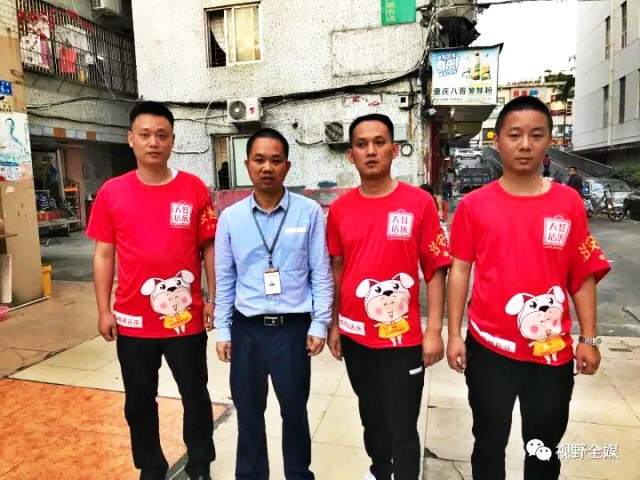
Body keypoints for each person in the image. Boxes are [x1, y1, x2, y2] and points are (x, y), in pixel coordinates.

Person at [446, 95, 611, 480]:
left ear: (548, 141)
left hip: (550, 354)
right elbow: (460, 271)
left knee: (543, 448)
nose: (525, 145)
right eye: (515, 135)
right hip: (489, 348)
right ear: (498, 140)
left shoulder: (568, 203)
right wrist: (453, 334)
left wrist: (589, 338)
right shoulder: (474, 206)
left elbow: (582, 273)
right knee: (488, 442)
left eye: (536, 135)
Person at [87, 101, 217, 480]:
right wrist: (104, 310)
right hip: (132, 320)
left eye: (162, 135)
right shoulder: (112, 192)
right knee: (139, 400)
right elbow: (104, 254)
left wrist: (213, 298)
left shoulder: (193, 189)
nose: (153, 142)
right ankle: (151, 465)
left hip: (185, 319)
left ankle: (200, 463)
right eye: (145, 135)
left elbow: (210, 248)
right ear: (131, 139)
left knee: (196, 395)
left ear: (172, 140)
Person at [327, 113, 451, 480]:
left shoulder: (418, 203)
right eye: (362, 144)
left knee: (403, 422)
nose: (371, 151)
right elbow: (337, 269)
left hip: (403, 339)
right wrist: (334, 325)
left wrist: (434, 330)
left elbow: (436, 269)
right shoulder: (340, 209)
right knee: (371, 415)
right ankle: (379, 472)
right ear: (350, 154)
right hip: (355, 336)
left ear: (394, 150)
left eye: (379, 142)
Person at [214, 128, 333, 480]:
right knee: (249, 413)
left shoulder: (309, 212)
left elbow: (320, 272)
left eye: (275, 160)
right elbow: (225, 278)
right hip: (246, 329)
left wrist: (319, 323)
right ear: (247, 165)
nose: (267, 167)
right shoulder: (231, 218)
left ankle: (298, 474)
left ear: (287, 166)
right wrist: (223, 329)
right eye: (260, 160)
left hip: (292, 331)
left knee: (294, 412)